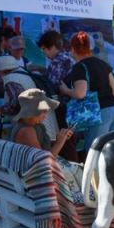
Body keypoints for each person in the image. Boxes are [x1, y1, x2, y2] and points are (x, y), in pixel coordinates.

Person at [59, 31, 114, 154]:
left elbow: (80, 93)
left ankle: (93, 174)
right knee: (112, 149)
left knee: (95, 152)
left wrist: (65, 90)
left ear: (73, 49)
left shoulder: (79, 67)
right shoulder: (102, 63)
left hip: (98, 113)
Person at [0, 56, 59, 142]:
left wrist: (1, 110)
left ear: (2, 71)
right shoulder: (25, 74)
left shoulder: (11, 79)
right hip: (48, 123)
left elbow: (15, 104)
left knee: (40, 153)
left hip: (36, 127)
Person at [37, 30, 79, 162]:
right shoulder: (68, 57)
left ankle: (73, 167)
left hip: (64, 106)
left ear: (51, 47)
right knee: (71, 138)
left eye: (44, 49)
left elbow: (53, 84)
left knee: (65, 140)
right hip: (73, 106)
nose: (44, 52)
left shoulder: (58, 61)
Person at [11, 88, 74, 157]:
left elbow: (42, 146)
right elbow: (44, 159)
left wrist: (61, 138)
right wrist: (60, 142)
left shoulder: (35, 125)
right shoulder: (26, 131)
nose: (45, 116)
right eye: (43, 112)